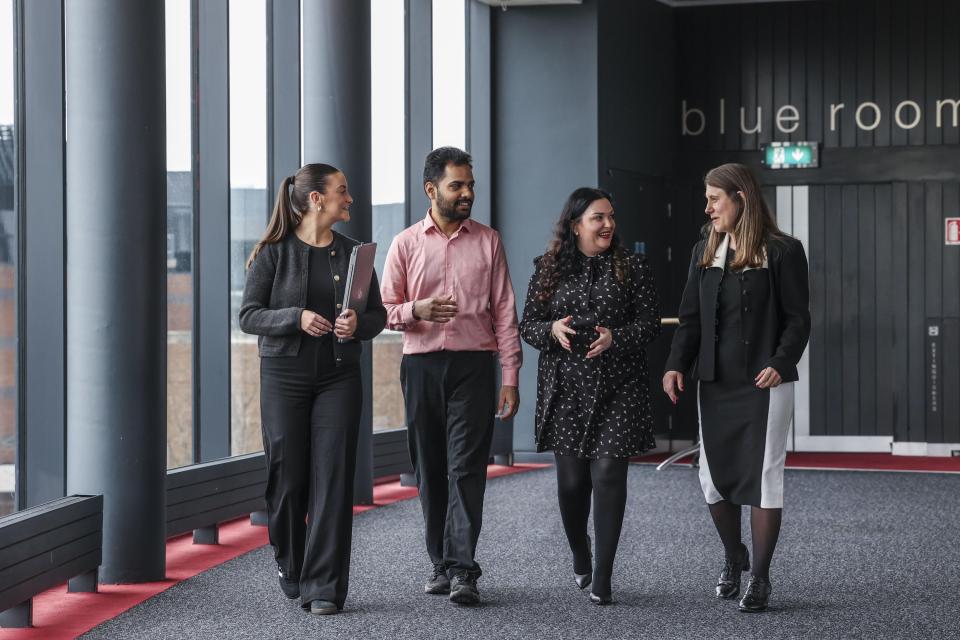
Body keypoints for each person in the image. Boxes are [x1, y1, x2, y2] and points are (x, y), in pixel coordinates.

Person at [239, 163, 386, 616]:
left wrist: (357, 323)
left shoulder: (356, 254)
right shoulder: (272, 252)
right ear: (316, 199)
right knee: (288, 478)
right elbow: (248, 315)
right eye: (343, 191)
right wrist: (295, 317)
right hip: (284, 377)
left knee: (334, 478)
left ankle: (324, 586)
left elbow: (377, 315)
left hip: (340, 377)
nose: (351, 199)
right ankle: (290, 559)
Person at [662, 163, 810, 613]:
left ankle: (761, 579)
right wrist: (674, 365)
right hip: (715, 382)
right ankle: (733, 554)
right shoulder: (704, 249)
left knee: (764, 475)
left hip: (765, 383)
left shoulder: (784, 251)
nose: (707, 208)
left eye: (714, 199)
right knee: (713, 479)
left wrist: (781, 363)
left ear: (740, 199)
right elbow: (690, 318)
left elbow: (798, 318)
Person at [380, 147, 522, 606]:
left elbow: (504, 312)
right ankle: (439, 562)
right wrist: (414, 310)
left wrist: (510, 376)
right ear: (431, 189)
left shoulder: (489, 241)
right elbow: (381, 312)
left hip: (474, 367)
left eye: (470, 185)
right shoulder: (404, 244)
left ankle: (463, 568)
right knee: (430, 468)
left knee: (465, 467)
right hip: (420, 365)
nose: (467, 193)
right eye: (457, 185)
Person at [519, 187, 660, 605]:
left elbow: (651, 324)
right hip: (566, 390)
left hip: (619, 386)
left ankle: (603, 573)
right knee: (572, 483)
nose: (608, 225)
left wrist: (617, 336)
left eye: (611, 216)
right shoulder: (547, 268)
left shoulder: (632, 267)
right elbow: (527, 325)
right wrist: (551, 331)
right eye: (599, 217)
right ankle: (581, 554)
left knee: (609, 476)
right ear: (576, 224)